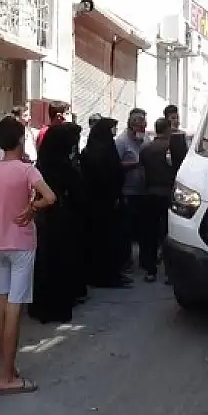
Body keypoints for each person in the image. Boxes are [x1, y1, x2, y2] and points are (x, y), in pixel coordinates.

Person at [0, 116, 56, 395]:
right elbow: (50, 197)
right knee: (15, 306)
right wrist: (33, 208)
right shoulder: (28, 171)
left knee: (2, 301)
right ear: (21, 139)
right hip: (22, 243)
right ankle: (7, 375)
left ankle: (6, 367)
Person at [30, 121, 87, 322]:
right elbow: (77, 191)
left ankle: (41, 306)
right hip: (62, 218)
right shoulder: (65, 166)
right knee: (61, 262)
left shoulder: (42, 165)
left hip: (45, 219)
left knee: (45, 262)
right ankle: (58, 307)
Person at [80, 114, 131, 288]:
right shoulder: (103, 151)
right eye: (112, 128)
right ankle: (107, 276)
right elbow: (108, 176)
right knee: (107, 242)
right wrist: (115, 196)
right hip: (106, 203)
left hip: (98, 204)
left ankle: (106, 274)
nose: (114, 131)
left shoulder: (95, 148)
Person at [138, 118, 176, 283]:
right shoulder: (172, 148)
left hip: (150, 193)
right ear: (168, 129)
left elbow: (141, 174)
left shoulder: (146, 149)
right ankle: (170, 272)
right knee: (169, 234)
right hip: (168, 194)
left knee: (150, 234)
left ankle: (151, 270)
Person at [115, 109, 148, 274]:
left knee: (142, 227)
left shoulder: (142, 140)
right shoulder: (122, 141)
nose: (144, 128)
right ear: (133, 125)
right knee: (126, 228)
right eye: (141, 125)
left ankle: (144, 260)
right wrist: (135, 164)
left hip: (142, 191)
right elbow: (116, 165)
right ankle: (125, 261)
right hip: (128, 191)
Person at [163, 104, 188, 172]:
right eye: (173, 118)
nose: (176, 121)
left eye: (177, 118)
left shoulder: (183, 134)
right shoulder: (164, 136)